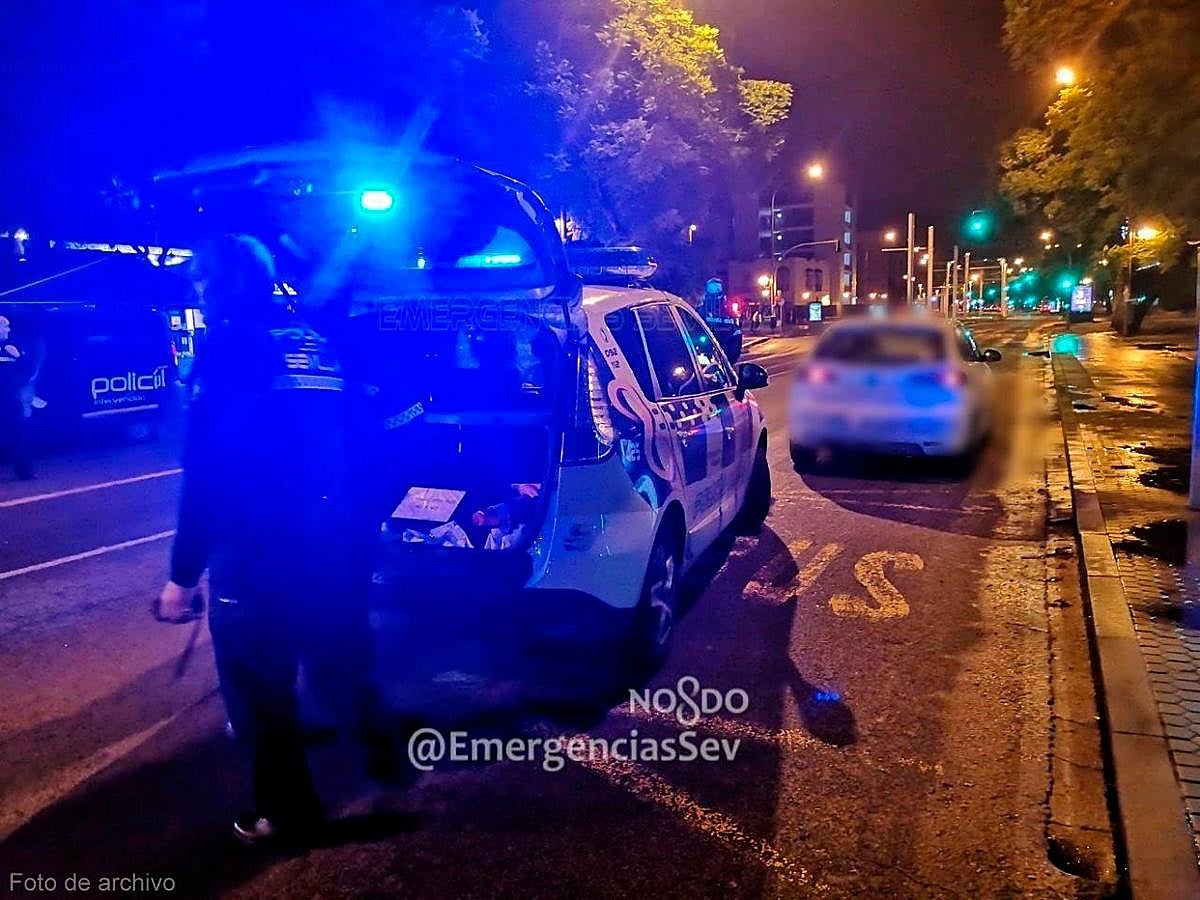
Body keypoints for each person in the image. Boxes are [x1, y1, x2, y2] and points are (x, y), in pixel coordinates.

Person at [155, 234, 397, 846]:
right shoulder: (314, 343)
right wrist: (360, 526)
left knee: (257, 686)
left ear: (229, 284)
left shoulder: (230, 348)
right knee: (340, 654)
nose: (200, 296)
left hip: (259, 552)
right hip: (333, 542)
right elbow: (372, 445)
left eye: (204, 284)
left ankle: (285, 813)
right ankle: (387, 759)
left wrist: (183, 577)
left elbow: (208, 471)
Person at [0, 314, 35, 480]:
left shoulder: (13, 347)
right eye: (5, 326)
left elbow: (28, 371)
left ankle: (24, 472)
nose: (8, 330)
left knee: (21, 434)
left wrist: (19, 357)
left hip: (11, 399)